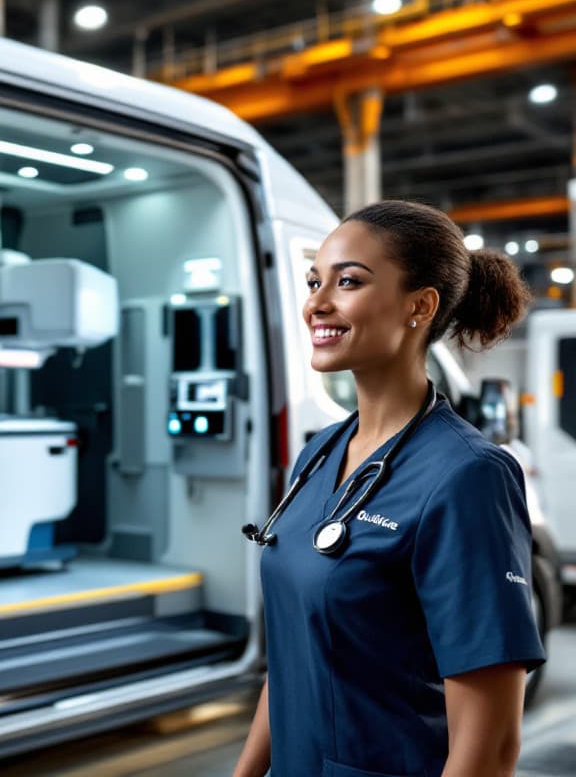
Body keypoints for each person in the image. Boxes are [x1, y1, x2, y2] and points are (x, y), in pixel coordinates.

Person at [234, 200, 545, 777]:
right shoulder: (318, 454)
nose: (316, 304)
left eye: (348, 281)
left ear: (420, 306)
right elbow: (295, 657)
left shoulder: (468, 476)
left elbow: (491, 745)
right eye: (313, 282)